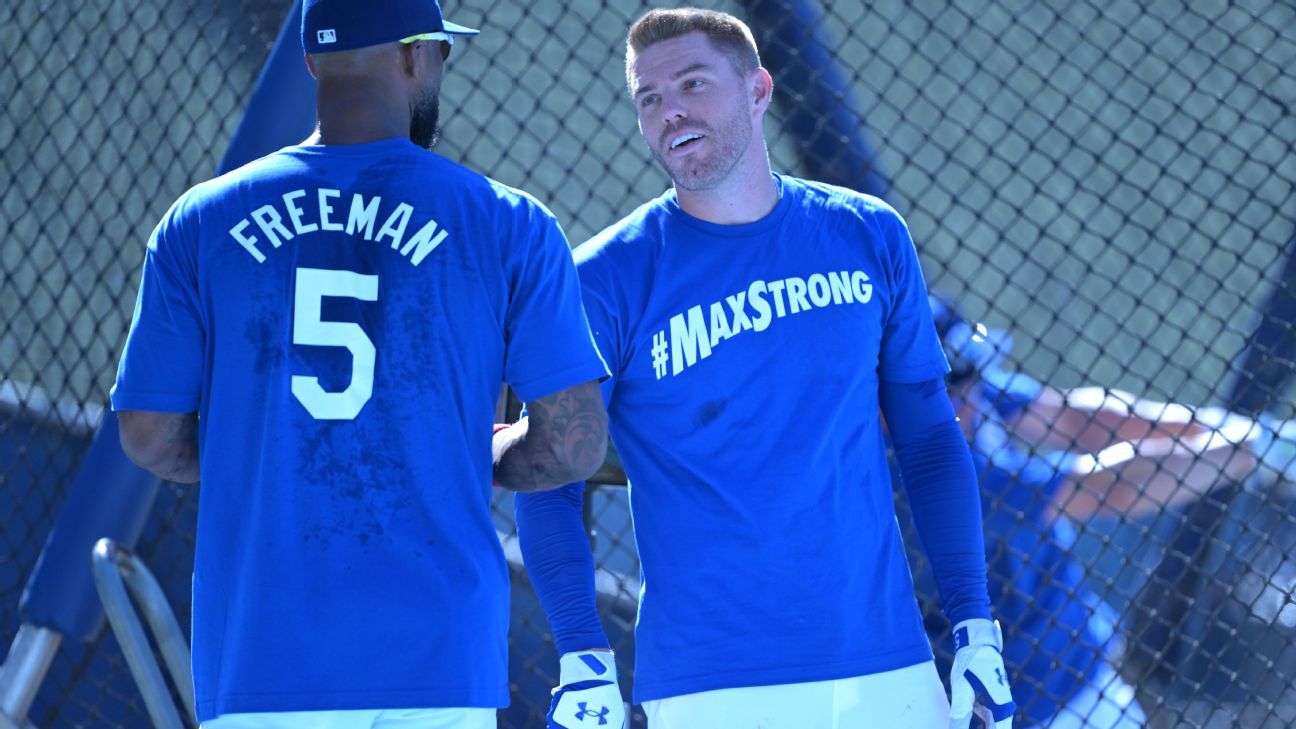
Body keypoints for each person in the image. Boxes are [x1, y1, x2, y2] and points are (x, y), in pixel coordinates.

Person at [110, 1, 610, 727]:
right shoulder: (509, 222)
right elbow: (574, 444)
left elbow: (147, 434)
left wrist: (262, 456)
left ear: (312, 60)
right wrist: (475, 454)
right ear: (413, 55)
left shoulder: (199, 220)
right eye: (441, 53)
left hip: (264, 657)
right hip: (441, 660)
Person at [513, 8, 1014, 729]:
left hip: (891, 669)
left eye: (693, 83)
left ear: (757, 90)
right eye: (649, 98)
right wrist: (582, 656)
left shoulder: (868, 233)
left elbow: (930, 438)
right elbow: (551, 475)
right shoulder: (601, 280)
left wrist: (974, 627)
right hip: (711, 686)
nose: (670, 110)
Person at [922, 291, 1291, 727]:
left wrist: (1249, 433)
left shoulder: (966, 394)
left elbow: (1075, 419)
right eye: (953, 389)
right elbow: (1105, 488)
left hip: (1082, 683)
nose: (971, 397)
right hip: (1013, 709)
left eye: (968, 381)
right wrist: (1250, 450)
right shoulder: (919, 475)